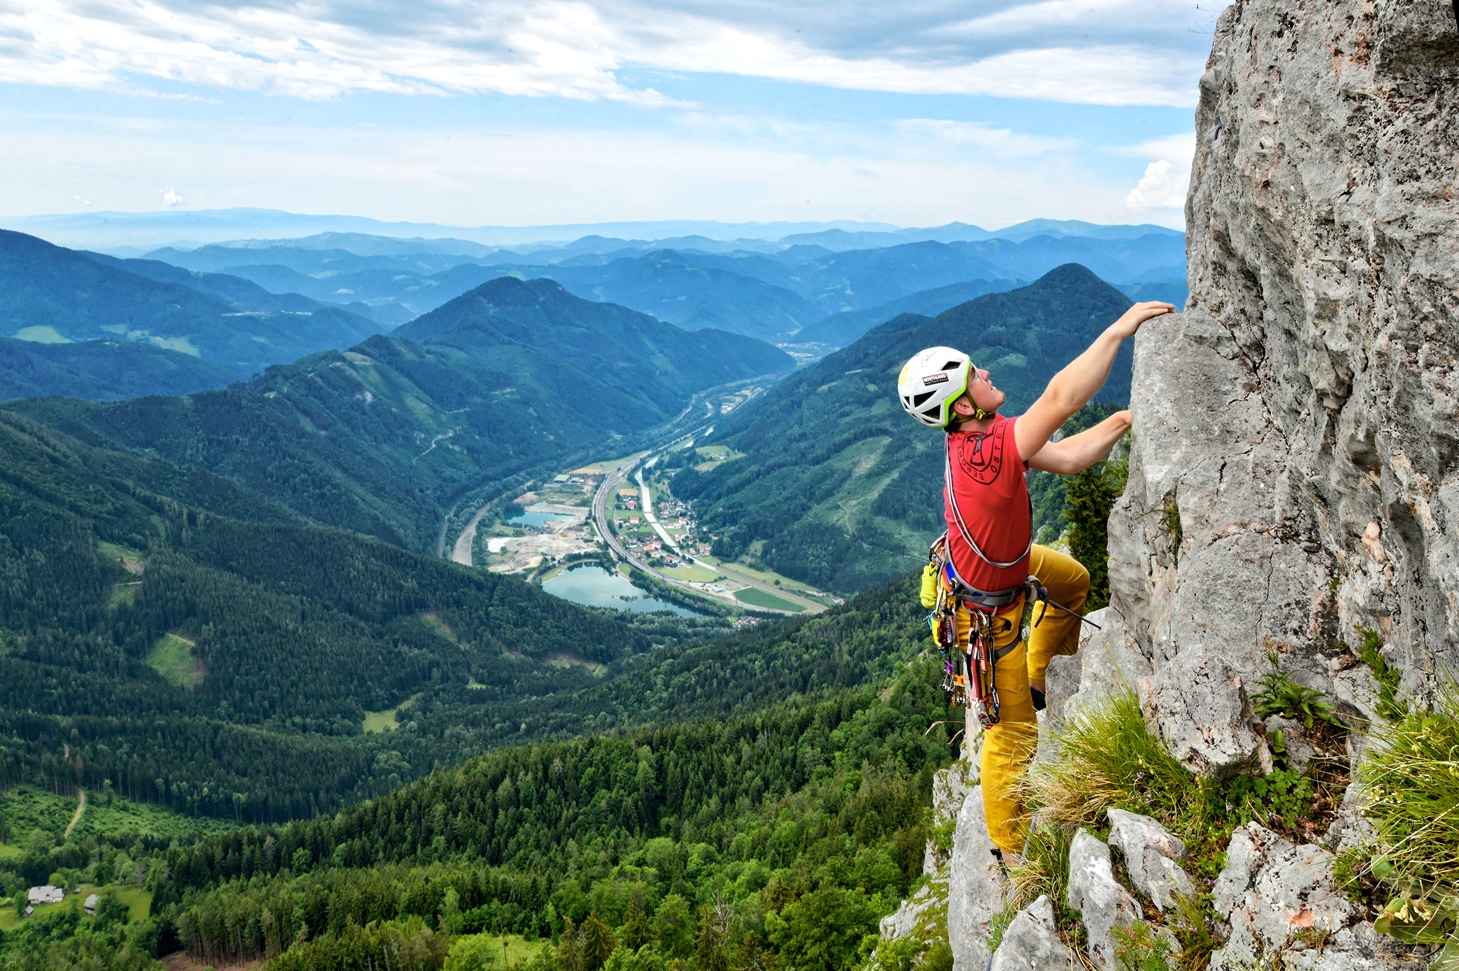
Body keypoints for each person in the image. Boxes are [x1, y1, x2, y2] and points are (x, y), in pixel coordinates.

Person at [897, 300, 1174, 865]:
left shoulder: (985, 442)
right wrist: (1118, 328)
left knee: (1071, 578)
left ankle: (1040, 678)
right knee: (1012, 734)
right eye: (976, 373)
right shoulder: (989, 454)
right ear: (963, 402)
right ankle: (1011, 849)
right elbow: (1061, 398)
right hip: (986, 615)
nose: (988, 374)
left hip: (1003, 570)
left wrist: (1125, 419)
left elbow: (1069, 458)